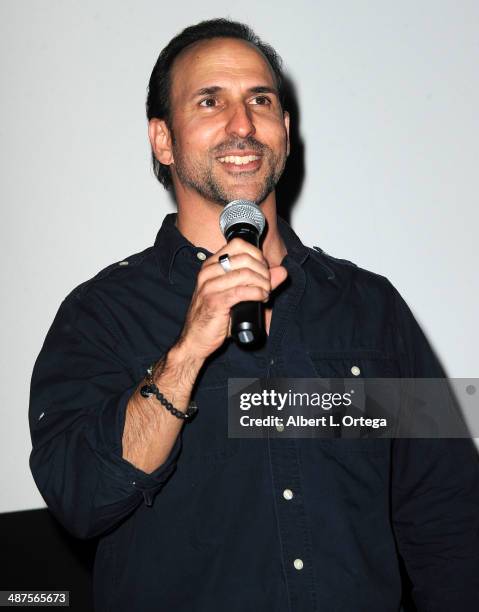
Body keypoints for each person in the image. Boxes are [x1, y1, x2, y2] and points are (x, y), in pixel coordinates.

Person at [29, 18, 479, 612]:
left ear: (285, 133)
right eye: (210, 101)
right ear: (163, 140)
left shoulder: (368, 309)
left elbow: (447, 520)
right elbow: (80, 498)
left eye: (260, 101)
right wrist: (186, 353)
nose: (241, 124)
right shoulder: (101, 314)